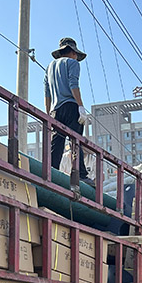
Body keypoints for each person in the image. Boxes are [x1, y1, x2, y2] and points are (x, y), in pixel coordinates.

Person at [44, 37, 93, 185]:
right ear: (72, 51)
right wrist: (80, 106)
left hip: (55, 110)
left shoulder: (49, 67)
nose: (77, 57)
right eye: (76, 54)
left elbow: (47, 94)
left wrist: (48, 115)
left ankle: (50, 171)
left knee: (56, 143)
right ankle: (81, 175)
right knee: (75, 141)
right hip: (71, 106)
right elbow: (73, 84)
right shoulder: (73, 63)